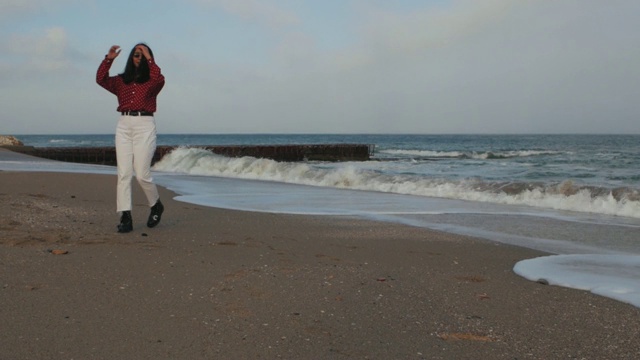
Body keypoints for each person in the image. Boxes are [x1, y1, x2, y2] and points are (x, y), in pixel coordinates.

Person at [96, 43, 165, 233]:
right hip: (124, 125)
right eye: (136, 54)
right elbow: (100, 79)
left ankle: (156, 205)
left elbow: (158, 77)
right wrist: (108, 59)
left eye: (143, 55)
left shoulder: (153, 81)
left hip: (144, 125)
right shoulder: (120, 81)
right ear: (130, 57)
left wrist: (150, 58)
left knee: (142, 174)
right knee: (124, 173)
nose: (139, 58)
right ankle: (125, 216)